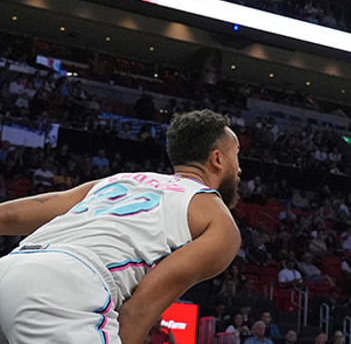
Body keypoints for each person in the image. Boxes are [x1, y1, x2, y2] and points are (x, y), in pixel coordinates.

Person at [0, 109, 242, 344]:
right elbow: (138, 310)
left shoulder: (119, 180)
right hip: (66, 286)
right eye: (236, 156)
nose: (240, 169)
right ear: (218, 159)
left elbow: (22, 212)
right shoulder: (217, 218)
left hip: (11, 265)